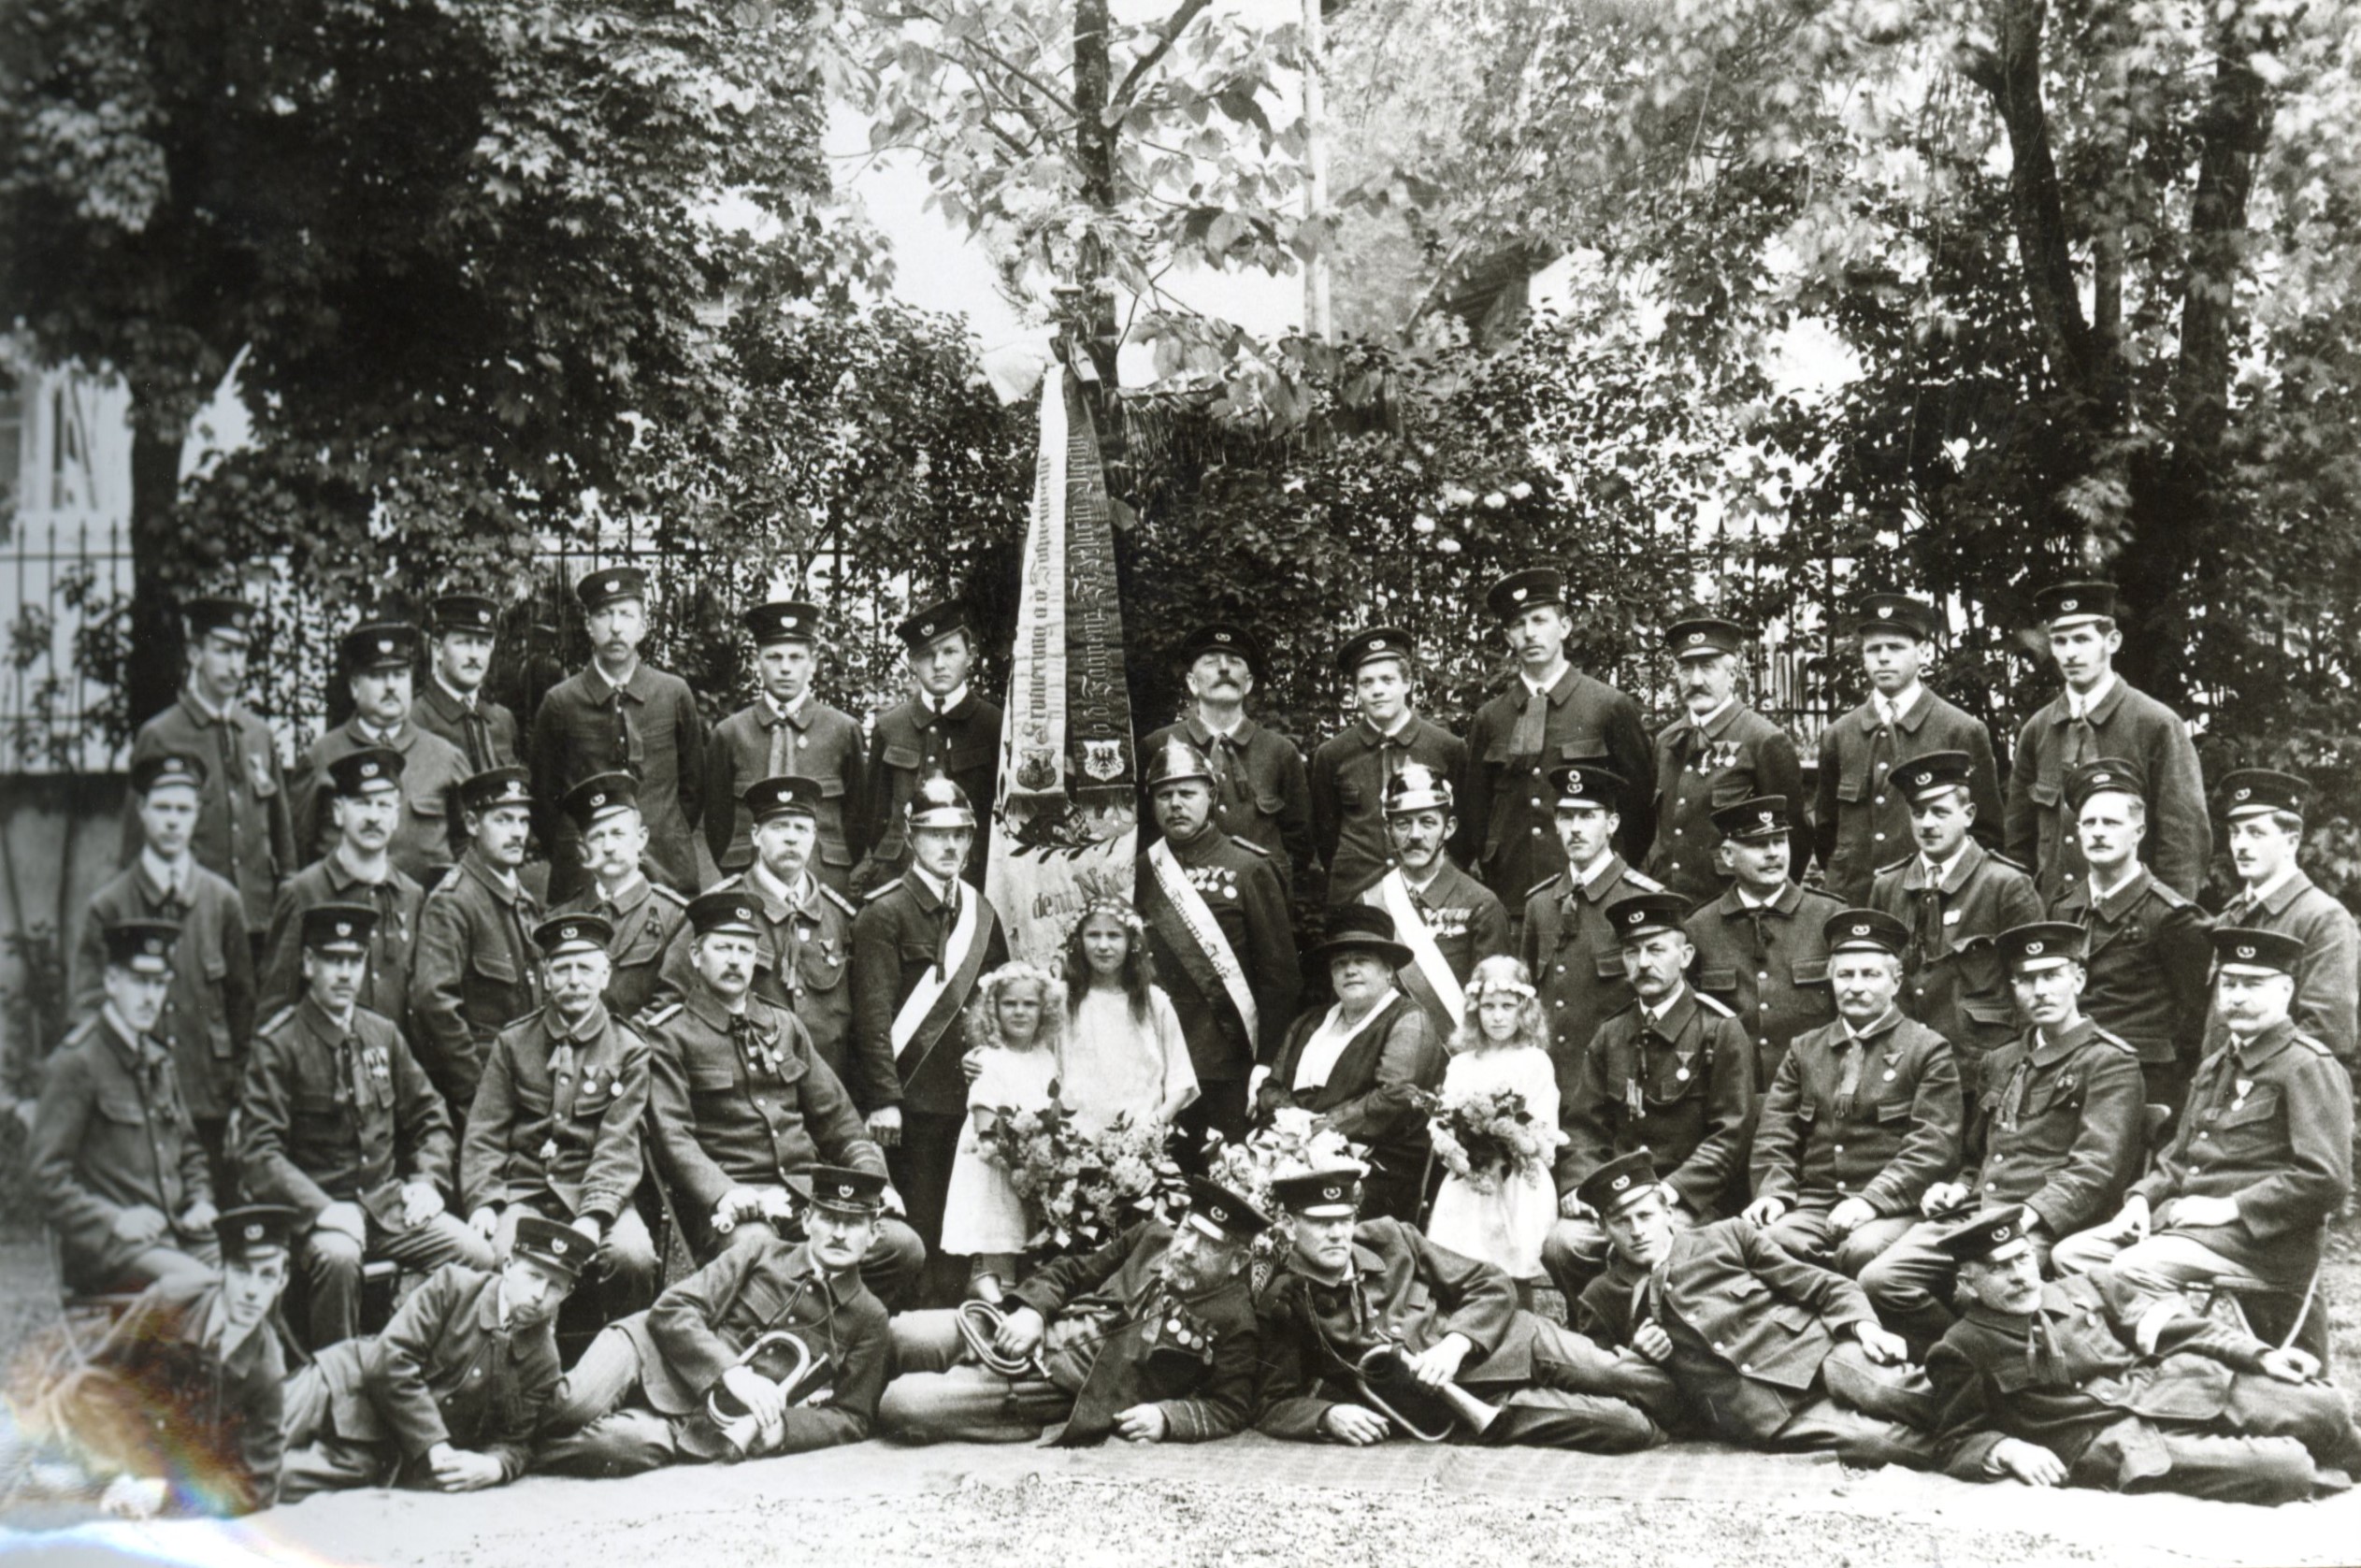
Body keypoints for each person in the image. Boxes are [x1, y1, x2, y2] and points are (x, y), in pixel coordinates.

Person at [1926, 1205, 2361, 1503]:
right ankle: (2318, 1471)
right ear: (1968, 1281)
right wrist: (2008, 1450)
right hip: (2113, 1440)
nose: (2019, 1276)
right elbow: (1956, 1438)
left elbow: (2174, 1327)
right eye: (1998, 1269)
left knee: (2323, 1405)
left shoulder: (2088, 1286)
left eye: (2021, 1259)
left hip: (2174, 1388)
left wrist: (2259, 1355)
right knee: (2286, 1467)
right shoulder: (1961, 1348)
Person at [1856, 922, 2146, 1350]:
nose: (2040, 990)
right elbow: (1977, 1155)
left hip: (2043, 1221)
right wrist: (1955, 1187)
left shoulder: (2109, 1063)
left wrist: (2030, 1214)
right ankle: (1960, 1354)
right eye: (2026, 979)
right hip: (1976, 1212)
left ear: (2078, 979)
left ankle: (1983, 1359)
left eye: (2052, 975)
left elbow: (2096, 1169)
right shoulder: (2003, 1059)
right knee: (1880, 1281)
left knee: (1983, 1291)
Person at [1255, 1167, 1675, 1452]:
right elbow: (1273, 1402)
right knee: (1630, 1428)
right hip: (1478, 1402)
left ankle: (1717, 1417)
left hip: (1518, 1340)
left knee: (1626, 1376)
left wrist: (1454, 1345)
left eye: (1344, 1220)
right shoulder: (1287, 1300)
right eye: (1321, 1223)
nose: (1337, 1234)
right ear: (1291, 1227)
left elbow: (1489, 1282)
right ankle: (1685, 1428)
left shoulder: (1388, 1238)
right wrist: (1327, 1416)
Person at [645, 890, 924, 1305]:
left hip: (805, 1197)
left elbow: (839, 1121)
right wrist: (725, 1193)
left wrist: (871, 1182)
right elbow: (674, 1138)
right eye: (723, 948)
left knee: (900, 1247)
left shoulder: (783, 1025)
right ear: (696, 955)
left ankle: (842, 1338)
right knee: (761, 1253)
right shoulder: (671, 1036)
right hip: (731, 1205)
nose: (736, 960)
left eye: (745, 949)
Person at [1570, 1150, 1933, 1464]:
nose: (1636, 1231)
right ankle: (1982, 1452)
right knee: (1879, 1442)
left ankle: (1984, 1423)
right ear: (1604, 1228)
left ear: (1668, 1212)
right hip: (1757, 1410)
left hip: (1816, 1350)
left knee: (1896, 1392)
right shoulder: (1601, 1297)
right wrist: (1640, 1358)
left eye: (1645, 1216)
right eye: (1621, 1221)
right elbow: (1620, 1391)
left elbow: (1823, 1285)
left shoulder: (1727, 1235)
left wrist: (1867, 1328)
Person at [238, 902, 492, 1349]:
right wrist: (321, 1209)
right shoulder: (279, 1045)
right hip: (315, 1216)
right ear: (308, 964)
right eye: (332, 960)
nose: (344, 974)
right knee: (338, 1258)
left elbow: (431, 1117)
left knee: (476, 1255)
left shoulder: (382, 1035)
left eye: (353, 961)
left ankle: (424, 1377)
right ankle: (337, 1396)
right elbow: (259, 1154)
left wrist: (427, 1182)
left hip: (386, 1208)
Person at [2052, 927, 2354, 1301]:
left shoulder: (2307, 1066)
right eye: (2229, 984)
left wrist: (2231, 1208)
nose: (2237, 998)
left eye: (2253, 985)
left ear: (2286, 991)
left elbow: (2325, 1179)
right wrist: (2141, 1200)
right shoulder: (2216, 1066)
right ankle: (2128, 1356)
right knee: (2073, 1256)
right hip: (2188, 1228)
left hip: (2261, 1242)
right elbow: (2180, 1159)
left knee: (2133, 1268)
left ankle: (2189, 1353)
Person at [536, 1165, 894, 1475]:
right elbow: (673, 1307)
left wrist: (784, 1429)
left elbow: (852, 1416)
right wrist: (731, 1372)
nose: (840, 1234)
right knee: (572, 1407)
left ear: (875, 1234)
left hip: (700, 1422)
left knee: (622, 1445)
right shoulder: (761, 1251)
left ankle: (519, 1455)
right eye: (829, 1218)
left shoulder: (869, 1316)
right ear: (806, 1221)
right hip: (648, 1348)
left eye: (854, 1223)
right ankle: (498, 1430)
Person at [880, 1176, 1267, 1446]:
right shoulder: (1151, 1238)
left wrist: (1168, 1419)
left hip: (1053, 1389)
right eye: (1187, 1231)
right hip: (1026, 1329)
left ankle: (998, 1420)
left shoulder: (1235, 1320)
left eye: (1209, 1245)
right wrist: (1032, 1311)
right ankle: (839, 1411)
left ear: (1238, 1261)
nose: (1185, 1249)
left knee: (904, 1403)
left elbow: (1230, 1408)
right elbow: (1072, 1271)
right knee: (900, 1333)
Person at [278, 1215, 584, 1500]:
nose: (538, 1294)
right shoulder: (453, 1286)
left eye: (554, 1285)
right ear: (507, 1266)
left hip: (382, 1449)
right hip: (342, 1382)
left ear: (568, 1294)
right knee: (251, 1439)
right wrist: (434, 1442)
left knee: (267, 1481)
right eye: (533, 1276)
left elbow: (517, 1439)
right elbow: (390, 1360)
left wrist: (495, 1466)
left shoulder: (544, 1361)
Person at [1547, 890, 1755, 1304]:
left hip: (1688, 1198)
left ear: (1686, 954)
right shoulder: (1612, 1033)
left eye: (1657, 949)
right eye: (1631, 952)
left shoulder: (1719, 1030)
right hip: (1617, 1196)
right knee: (1563, 1244)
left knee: (1664, 1249)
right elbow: (1584, 1126)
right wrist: (1582, 1187)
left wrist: (1670, 1192)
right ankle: (1594, 1339)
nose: (1643, 963)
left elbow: (1731, 1134)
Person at [26, 1204, 296, 1519]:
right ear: (221, 1270)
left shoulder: (266, 1372)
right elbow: (103, 1371)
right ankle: (88, 1476)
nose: (252, 1291)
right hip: (127, 1443)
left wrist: (164, 1492)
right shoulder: (171, 1300)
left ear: (283, 1282)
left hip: (184, 1476)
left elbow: (255, 1488)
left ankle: (87, 1483)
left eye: (267, 1276)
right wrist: (117, 1469)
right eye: (241, 1271)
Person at [845, 776, 1007, 1302]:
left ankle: (953, 1334)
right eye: (936, 835)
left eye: (960, 834)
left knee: (961, 1230)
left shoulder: (981, 912)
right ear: (912, 838)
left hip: (967, 1103)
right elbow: (872, 1018)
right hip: (909, 1105)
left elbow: (999, 1003)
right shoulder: (884, 911)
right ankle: (910, 1338)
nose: (950, 846)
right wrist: (884, 1100)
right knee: (914, 1226)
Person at [461, 912, 660, 1323]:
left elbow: (618, 1147)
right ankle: (509, 1369)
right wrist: (484, 1201)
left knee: (632, 1256)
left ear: (605, 975)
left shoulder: (629, 1049)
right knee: (500, 1258)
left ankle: (623, 1362)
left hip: (597, 1195)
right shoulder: (514, 1043)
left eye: (585, 968)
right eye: (563, 968)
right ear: (546, 977)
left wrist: (594, 1215)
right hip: (526, 1191)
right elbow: (484, 1134)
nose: (574, 980)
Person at [74, 753, 256, 1199]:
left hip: (208, 1098)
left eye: (183, 809)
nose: (173, 822)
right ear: (141, 811)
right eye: (162, 808)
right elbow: (86, 1010)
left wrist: (241, 1103)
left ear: (197, 814)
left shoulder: (223, 901)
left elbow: (244, 1010)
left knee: (215, 1227)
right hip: (135, 1107)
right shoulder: (110, 906)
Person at [1745, 907, 1963, 1274]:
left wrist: (1872, 1201)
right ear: (1830, 980)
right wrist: (1774, 1193)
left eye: (1870, 975)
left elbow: (1933, 1145)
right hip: (1815, 1205)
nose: (1856, 986)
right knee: (1763, 1242)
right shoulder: (1805, 1050)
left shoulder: (1928, 1049)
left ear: (1896, 982)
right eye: (1845, 975)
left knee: (1862, 1250)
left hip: (1893, 1207)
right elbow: (1775, 1135)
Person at [35, 918, 220, 1293]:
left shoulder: (158, 1059)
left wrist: (200, 1201)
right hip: (110, 1251)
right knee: (200, 1285)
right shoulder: (78, 1062)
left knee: (257, 1269)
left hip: (175, 1235)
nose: (150, 997)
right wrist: (114, 1220)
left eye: (159, 983)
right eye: (139, 982)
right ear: (111, 982)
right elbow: (45, 1177)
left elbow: (189, 1151)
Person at [1135, 735, 1299, 1151]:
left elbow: (1280, 978)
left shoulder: (1248, 868)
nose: (1175, 804)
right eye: (1164, 794)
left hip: (1227, 1061)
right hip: (1157, 1058)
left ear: (1211, 795)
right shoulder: (1137, 871)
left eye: (1187, 793)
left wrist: (1266, 1064)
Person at [1462, 568, 1653, 912]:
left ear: (1564, 628)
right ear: (1508, 637)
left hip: (1593, 889)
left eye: (1539, 620)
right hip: (1513, 891)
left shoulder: (1608, 706)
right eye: (1519, 625)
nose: (1530, 633)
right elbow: (1476, 810)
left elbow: (1639, 806)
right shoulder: (1491, 718)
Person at [2005, 581, 2209, 901]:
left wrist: (2170, 923)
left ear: (2112, 641)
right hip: (2053, 922)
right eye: (2060, 641)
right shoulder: (2038, 730)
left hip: (2135, 926)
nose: (2070, 653)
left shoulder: (2156, 724)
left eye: (2083, 639)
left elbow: (2184, 842)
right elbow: (2018, 844)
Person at [1870, 749, 2041, 1111]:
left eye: (1940, 812)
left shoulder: (2005, 885)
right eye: (1918, 813)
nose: (1927, 824)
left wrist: (2023, 1068)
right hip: (1903, 1067)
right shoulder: (1889, 887)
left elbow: (2032, 986)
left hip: (1980, 1069)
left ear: (1969, 815)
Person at [1254, 905, 1447, 1223]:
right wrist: (1296, 1125)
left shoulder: (1408, 1020)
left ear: (1388, 971)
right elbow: (1271, 1087)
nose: (1350, 970)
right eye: (1340, 964)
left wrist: (1319, 1129)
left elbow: (1395, 1098)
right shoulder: (1309, 1023)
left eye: (1362, 960)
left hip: (1375, 1162)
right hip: (1294, 1148)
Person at [659, 774, 856, 1081]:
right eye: (778, 827)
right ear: (755, 835)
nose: (791, 838)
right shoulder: (718, 907)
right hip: (749, 1090)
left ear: (814, 836)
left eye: (801, 828)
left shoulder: (838, 916)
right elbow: (672, 1000)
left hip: (831, 1085)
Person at [122, 595, 295, 943]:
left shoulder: (257, 735)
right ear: (195, 654)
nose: (236, 665)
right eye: (224, 650)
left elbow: (282, 839)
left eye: (242, 651)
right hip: (189, 923)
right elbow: (135, 847)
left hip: (256, 926)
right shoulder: (162, 735)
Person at [529, 566, 707, 899]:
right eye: (603, 615)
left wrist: (663, 830)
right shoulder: (561, 702)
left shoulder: (673, 694)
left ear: (643, 626)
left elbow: (693, 787)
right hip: (586, 874)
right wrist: (578, 846)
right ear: (588, 626)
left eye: (626, 615)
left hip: (665, 867)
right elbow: (543, 799)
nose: (615, 627)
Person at [1812, 593, 2002, 905]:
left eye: (1896, 648)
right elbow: (1826, 831)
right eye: (1874, 649)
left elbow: (1986, 833)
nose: (1883, 658)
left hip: (1929, 901)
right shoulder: (1840, 734)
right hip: (1852, 901)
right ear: (1863, 656)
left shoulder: (1960, 730)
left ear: (1923, 652)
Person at [2048, 757, 2213, 1113]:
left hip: (2143, 1084)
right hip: (2068, 1076)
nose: (2098, 832)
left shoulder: (2172, 916)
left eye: (2111, 822)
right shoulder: (2063, 911)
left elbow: (2201, 1017)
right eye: (2089, 823)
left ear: (2139, 832)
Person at [257, 745, 425, 1032]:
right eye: (362, 803)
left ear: (396, 816)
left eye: (383, 805)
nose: (373, 817)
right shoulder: (303, 892)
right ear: (338, 812)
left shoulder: (411, 896)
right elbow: (275, 1008)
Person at [706, 599, 869, 895]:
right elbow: (718, 825)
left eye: (796, 657)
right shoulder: (729, 734)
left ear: (813, 662)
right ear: (756, 661)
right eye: (774, 657)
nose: (785, 668)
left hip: (823, 883)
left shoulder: (842, 730)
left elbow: (859, 821)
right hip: (749, 883)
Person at [1642, 613, 1806, 905]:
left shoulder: (1763, 740)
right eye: (1685, 668)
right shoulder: (1667, 741)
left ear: (1733, 673)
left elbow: (1794, 841)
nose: (1695, 680)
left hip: (1731, 910)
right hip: (1669, 904)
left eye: (1707, 668)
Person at [1141, 623, 1315, 897]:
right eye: (1211, 663)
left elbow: (1301, 839)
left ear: (1248, 684)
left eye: (1234, 662)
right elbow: (1146, 832)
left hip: (1260, 899)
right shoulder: (1158, 745)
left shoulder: (1279, 751)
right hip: (1182, 899)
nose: (1224, 669)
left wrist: (1271, 879)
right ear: (1192, 683)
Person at [289, 621, 470, 885]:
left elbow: (470, 848)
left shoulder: (445, 758)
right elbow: (297, 851)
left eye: (399, 675)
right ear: (354, 686)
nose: (390, 686)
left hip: (425, 917)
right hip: (344, 914)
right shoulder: (322, 757)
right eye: (377, 675)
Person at [408, 766, 543, 1115]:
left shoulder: (523, 900)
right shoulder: (453, 902)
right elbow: (434, 1005)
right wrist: (478, 1095)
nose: (517, 833)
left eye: (523, 821)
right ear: (471, 824)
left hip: (529, 1084)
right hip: (481, 1096)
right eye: (503, 820)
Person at [1423, 956, 1562, 1290]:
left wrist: (1513, 1136)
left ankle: (1521, 1328)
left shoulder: (1534, 1061)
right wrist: (1455, 1140)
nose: (1498, 1016)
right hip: (1470, 1180)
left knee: (1514, 1266)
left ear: (1523, 1009)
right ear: (1475, 1010)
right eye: (1488, 1006)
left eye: (1507, 1006)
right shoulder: (1462, 1065)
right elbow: (1443, 1119)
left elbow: (1544, 1124)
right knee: (1463, 1266)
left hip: (1517, 1178)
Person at [1684, 795, 1841, 1089]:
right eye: (1758, 845)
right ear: (1728, 856)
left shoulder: (1829, 918)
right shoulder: (1700, 928)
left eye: (1779, 841)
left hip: (1814, 1091)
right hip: (1733, 1096)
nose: (1773, 854)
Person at [2205, 768, 2358, 1067]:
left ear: (2292, 841)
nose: (2241, 845)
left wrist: (2245, 1081)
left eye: (2256, 832)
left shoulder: (2324, 919)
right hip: (2217, 1096)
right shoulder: (2231, 915)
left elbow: (2329, 1034)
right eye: (2235, 833)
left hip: (2280, 1098)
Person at [1310, 626, 1468, 902]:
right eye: (1367, 682)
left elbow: (1464, 830)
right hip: (1356, 894)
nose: (1377, 691)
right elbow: (1326, 836)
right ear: (1356, 690)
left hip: (1430, 892)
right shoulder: (1333, 754)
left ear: (1407, 683)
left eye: (1387, 679)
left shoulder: (1447, 748)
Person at [855, 597, 1000, 892]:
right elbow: (875, 817)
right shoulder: (891, 726)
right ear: (912, 662)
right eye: (926, 655)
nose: (938, 665)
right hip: (899, 878)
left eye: (949, 652)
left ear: (970, 655)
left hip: (974, 877)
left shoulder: (993, 724)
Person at [942, 962, 1066, 1302]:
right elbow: (986, 1132)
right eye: (1010, 1003)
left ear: (1045, 1010)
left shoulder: (1044, 1058)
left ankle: (1011, 1320)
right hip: (995, 1173)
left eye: (1030, 1004)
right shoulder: (990, 1060)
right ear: (994, 1009)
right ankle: (985, 1318)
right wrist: (1023, 1160)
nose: (1020, 1012)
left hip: (1030, 1173)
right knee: (996, 1252)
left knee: (1027, 1251)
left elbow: (1054, 1115)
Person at [1356, 762, 1509, 1037]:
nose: (1415, 835)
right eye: (1403, 823)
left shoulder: (1482, 905)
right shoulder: (1368, 903)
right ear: (1387, 829)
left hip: (1453, 1058)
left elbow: (1496, 1005)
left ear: (1448, 828)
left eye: (1427, 822)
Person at [548, 771, 688, 1022]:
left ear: (641, 839)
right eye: (597, 837)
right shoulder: (561, 917)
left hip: (646, 1054)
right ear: (582, 849)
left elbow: (672, 1001)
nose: (609, 846)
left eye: (618, 834)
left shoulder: (675, 917)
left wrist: (617, 1046)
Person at [1055, 897, 1198, 1135]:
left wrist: (1152, 1127)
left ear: (1131, 942)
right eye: (1093, 935)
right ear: (1079, 941)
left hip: (1138, 1144)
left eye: (1113, 936)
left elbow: (1181, 1080)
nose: (1103, 945)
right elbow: (1031, 1059)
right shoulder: (1062, 999)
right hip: (1074, 1139)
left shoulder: (1153, 1001)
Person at [408, 593, 520, 773]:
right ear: (437, 650)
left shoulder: (502, 720)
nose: (474, 655)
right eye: (464, 643)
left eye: (482, 644)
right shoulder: (414, 719)